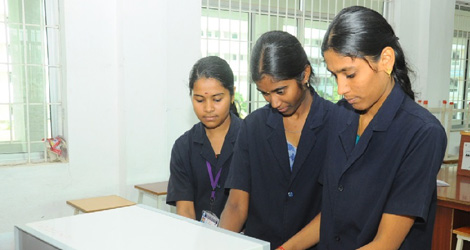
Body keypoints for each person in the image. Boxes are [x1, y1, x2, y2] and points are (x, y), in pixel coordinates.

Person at [280, 6, 447, 250]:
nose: (341, 88)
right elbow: (332, 215)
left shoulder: (422, 133)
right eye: (334, 75)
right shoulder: (340, 116)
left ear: (386, 60)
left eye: (349, 74)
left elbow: (385, 243)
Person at [219, 31, 335, 249]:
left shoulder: (338, 124)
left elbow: (337, 209)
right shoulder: (253, 127)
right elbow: (236, 205)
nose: (274, 102)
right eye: (265, 93)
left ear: (305, 74)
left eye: (281, 91)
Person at [166, 56, 242, 225]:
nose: (208, 108)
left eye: (217, 99)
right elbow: (185, 210)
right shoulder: (183, 147)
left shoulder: (249, 139)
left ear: (232, 94)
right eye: (199, 100)